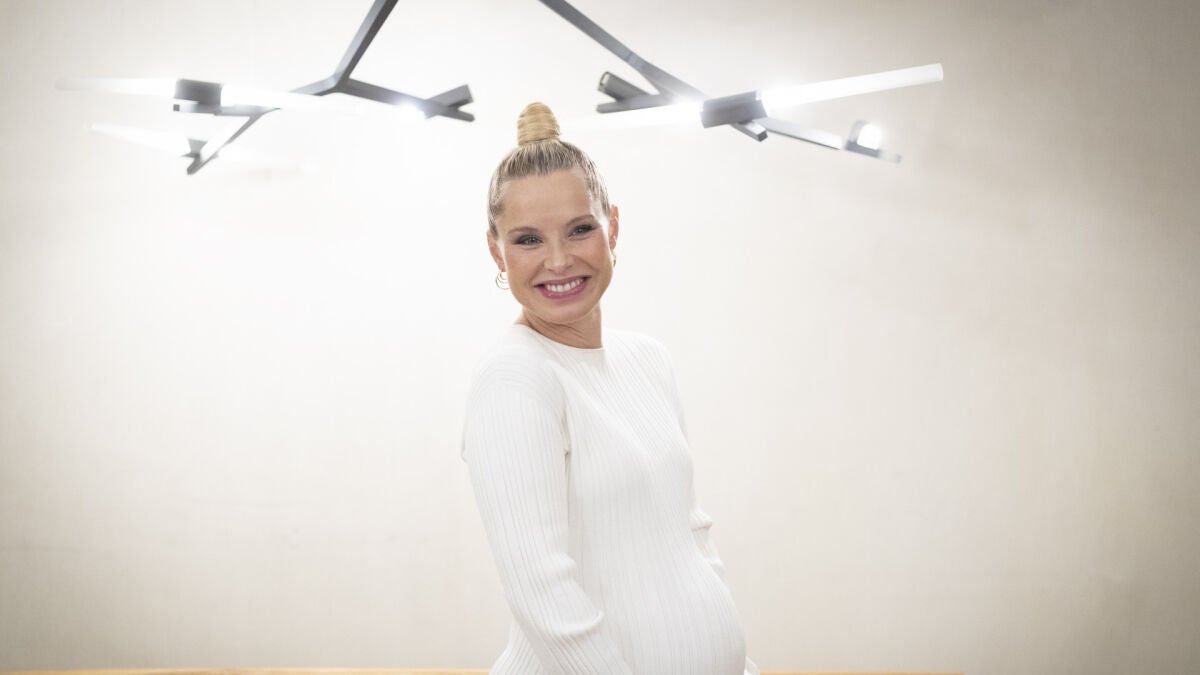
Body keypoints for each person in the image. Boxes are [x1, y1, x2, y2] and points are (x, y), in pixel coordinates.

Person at [460, 101, 760, 675]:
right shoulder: (515, 378)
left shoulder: (647, 359)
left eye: (580, 229)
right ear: (496, 250)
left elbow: (690, 536)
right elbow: (543, 595)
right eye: (527, 239)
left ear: (613, 227)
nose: (558, 260)